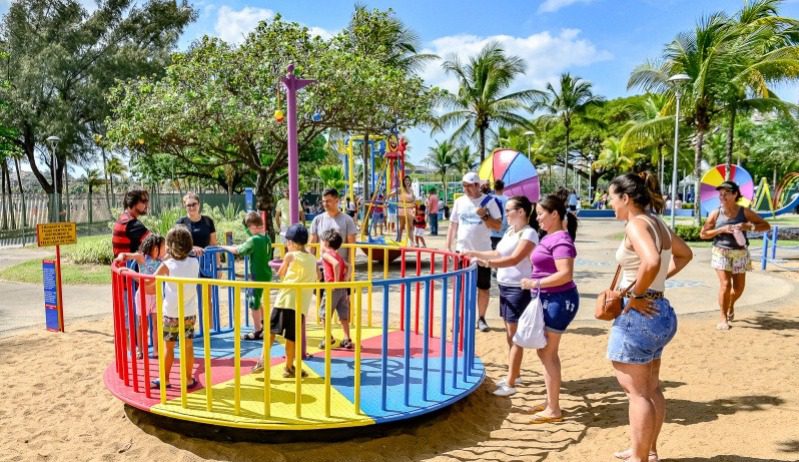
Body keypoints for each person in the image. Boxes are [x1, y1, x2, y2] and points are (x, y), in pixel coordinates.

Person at [605, 173, 693, 462]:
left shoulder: (636, 224)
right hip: (662, 312)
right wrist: (654, 287)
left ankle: (639, 457)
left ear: (625, 198)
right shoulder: (659, 224)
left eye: (611, 197)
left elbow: (651, 260)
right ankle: (647, 449)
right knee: (651, 388)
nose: (609, 202)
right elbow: (685, 255)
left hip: (641, 316)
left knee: (637, 393)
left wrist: (638, 295)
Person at [465, 196, 539, 397]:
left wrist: (488, 264)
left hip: (518, 289)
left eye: (509, 210)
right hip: (506, 287)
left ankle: (511, 381)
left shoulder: (529, 233)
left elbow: (514, 259)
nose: (505, 214)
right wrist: (474, 253)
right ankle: (514, 374)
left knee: (515, 336)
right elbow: (497, 254)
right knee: (510, 335)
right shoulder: (510, 231)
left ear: (522, 211)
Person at [519, 193, 579, 423]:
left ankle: (553, 408)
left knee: (548, 353)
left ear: (554, 214)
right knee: (545, 352)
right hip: (549, 298)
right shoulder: (550, 236)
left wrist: (536, 283)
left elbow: (565, 273)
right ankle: (550, 402)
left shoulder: (561, 239)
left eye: (541, 213)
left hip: (557, 300)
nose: (538, 218)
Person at [699, 180, 770, 331]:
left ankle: (730, 303)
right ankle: (723, 318)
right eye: (721, 193)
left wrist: (747, 226)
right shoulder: (716, 213)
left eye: (726, 193)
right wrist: (721, 230)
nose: (722, 196)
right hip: (721, 251)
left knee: (738, 288)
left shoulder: (744, 212)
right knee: (725, 284)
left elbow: (766, 226)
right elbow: (703, 234)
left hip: (740, 252)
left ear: (735, 194)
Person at [252, 224, 317, 378]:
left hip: (285, 300)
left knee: (271, 331)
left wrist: (281, 266)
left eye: (287, 242)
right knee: (291, 337)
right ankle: (288, 367)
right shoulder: (313, 258)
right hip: (300, 304)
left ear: (293, 243)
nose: (286, 245)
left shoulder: (290, 256)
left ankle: (262, 360)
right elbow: (318, 277)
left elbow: (281, 274)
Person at [446, 172, 502, 332]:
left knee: (483, 287)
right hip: (462, 251)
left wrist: (484, 216)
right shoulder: (459, 202)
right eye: (464, 185)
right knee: (459, 287)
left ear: (477, 185)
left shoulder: (489, 201)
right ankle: (457, 319)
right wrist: (448, 245)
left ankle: (481, 318)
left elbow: (497, 226)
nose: (466, 189)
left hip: (482, 252)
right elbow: (453, 224)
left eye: (469, 186)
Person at [150, 225, 201, 390]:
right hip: (189, 312)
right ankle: (187, 378)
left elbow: (150, 280)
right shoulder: (194, 262)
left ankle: (164, 379)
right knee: (188, 346)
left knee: (169, 347)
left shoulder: (168, 265)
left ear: (170, 246)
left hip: (171, 313)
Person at [220, 212, 273, 340]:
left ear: (253, 227)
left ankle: (258, 330)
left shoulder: (254, 240)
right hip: (266, 273)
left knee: (253, 302)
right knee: (258, 299)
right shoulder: (266, 237)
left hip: (256, 275)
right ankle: (264, 324)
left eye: (247, 228)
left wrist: (222, 246)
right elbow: (248, 242)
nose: (247, 231)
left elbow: (239, 250)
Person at [115, 233, 166, 360]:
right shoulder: (142, 257)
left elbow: (176, 251)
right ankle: (141, 350)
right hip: (143, 296)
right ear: (155, 248)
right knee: (142, 324)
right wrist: (121, 257)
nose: (165, 250)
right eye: (163, 247)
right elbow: (127, 255)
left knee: (156, 323)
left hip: (157, 295)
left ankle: (156, 350)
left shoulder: (162, 260)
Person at [318, 229, 353, 349]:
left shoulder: (326, 254)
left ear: (326, 242)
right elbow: (349, 266)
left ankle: (328, 337)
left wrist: (336, 282)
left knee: (324, 314)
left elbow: (336, 265)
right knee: (343, 314)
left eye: (321, 241)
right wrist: (346, 279)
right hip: (342, 289)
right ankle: (347, 338)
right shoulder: (338, 255)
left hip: (332, 288)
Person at [309, 188, 357, 262]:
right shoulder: (317, 220)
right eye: (323, 201)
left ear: (337, 200)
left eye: (328, 201)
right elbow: (312, 245)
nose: (325, 204)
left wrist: (350, 267)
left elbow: (352, 247)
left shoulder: (347, 220)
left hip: (341, 265)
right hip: (322, 266)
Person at [175, 192, 217, 256]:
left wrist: (218, 264)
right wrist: (192, 248)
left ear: (199, 204)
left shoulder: (208, 221)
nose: (192, 207)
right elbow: (177, 245)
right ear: (185, 207)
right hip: (187, 262)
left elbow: (213, 244)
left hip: (206, 261)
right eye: (188, 205)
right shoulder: (180, 223)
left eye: (194, 204)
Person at [112, 189, 151, 258]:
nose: (147, 205)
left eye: (147, 201)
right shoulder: (132, 224)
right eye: (144, 201)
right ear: (133, 202)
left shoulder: (123, 219)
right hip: (129, 266)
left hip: (121, 266)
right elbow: (157, 243)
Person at [396, 175, 417, 243]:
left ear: (410, 181)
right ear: (403, 182)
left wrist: (414, 202)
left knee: (410, 226)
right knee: (402, 226)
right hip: (402, 209)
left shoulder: (411, 190)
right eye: (405, 180)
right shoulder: (401, 189)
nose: (407, 182)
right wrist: (387, 197)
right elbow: (393, 193)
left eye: (408, 180)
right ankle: (399, 239)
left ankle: (412, 242)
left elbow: (414, 199)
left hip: (409, 209)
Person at [490, 180, 509, 250]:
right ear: (503, 188)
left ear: (494, 188)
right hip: (504, 231)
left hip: (491, 231)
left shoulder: (489, 199)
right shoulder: (508, 200)